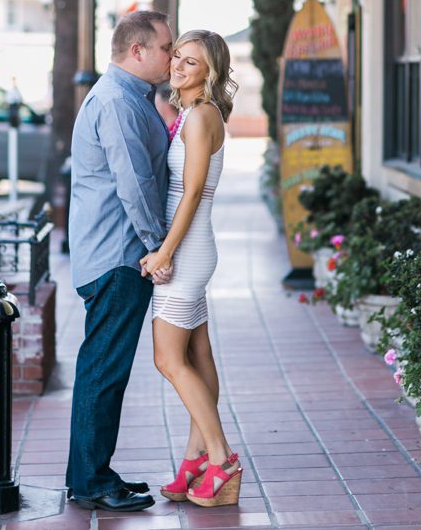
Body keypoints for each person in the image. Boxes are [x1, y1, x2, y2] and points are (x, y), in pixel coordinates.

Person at [65, 10, 174, 512]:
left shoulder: (130, 97)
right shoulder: (116, 102)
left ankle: (93, 473)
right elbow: (134, 181)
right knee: (103, 371)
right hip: (119, 256)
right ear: (138, 51)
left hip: (114, 254)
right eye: (166, 49)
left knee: (104, 369)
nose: (171, 58)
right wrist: (157, 246)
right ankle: (90, 482)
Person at [139, 30, 242, 507]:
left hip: (188, 250)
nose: (178, 66)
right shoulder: (190, 114)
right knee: (198, 355)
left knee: (168, 359)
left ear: (210, 72)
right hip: (192, 247)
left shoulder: (201, 116)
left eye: (192, 62)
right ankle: (194, 457)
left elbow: (193, 191)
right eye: (176, 56)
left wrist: (165, 253)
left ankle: (221, 458)